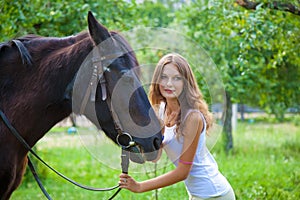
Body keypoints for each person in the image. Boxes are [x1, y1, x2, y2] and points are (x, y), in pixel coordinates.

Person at [119, 53, 235, 200]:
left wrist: (140, 187)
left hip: (214, 194)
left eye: (177, 78)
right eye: (164, 77)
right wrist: (135, 143)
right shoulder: (161, 111)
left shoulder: (192, 118)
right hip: (197, 194)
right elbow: (155, 157)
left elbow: (183, 171)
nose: (169, 84)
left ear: (186, 83)